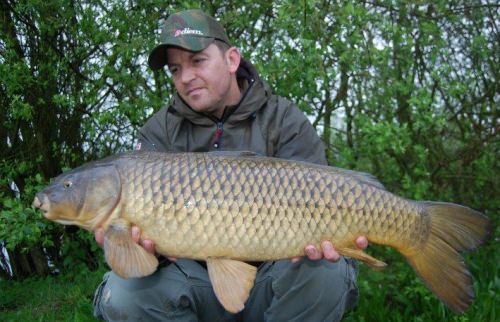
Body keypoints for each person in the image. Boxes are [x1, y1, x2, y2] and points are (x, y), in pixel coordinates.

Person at [93, 9, 368, 322]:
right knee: (124, 293)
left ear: (232, 60)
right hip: (196, 289)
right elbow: (139, 253)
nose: (185, 78)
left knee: (325, 271)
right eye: (175, 69)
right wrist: (137, 246)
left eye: (197, 61)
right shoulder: (159, 133)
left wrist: (328, 239)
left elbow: (325, 200)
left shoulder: (283, 120)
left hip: (275, 283)